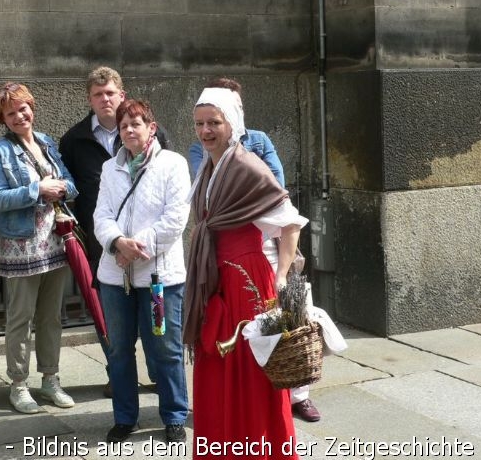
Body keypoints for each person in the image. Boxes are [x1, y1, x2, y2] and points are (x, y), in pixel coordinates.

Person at [184, 87, 308, 459]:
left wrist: (282, 276)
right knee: (219, 366)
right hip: (220, 276)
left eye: (214, 123)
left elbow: (290, 224)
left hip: (247, 281)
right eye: (200, 124)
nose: (206, 131)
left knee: (250, 372)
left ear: (231, 123)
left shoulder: (247, 166)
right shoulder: (210, 165)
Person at [59, 66, 167, 396]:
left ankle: (157, 371)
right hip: (102, 242)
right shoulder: (74, 140)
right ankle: (118, 374)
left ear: (122, 94)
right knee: (111, 316)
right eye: (97, 94)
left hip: (149, 246)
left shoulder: (151, 134)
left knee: (154, 314)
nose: (105, 99)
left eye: (110, 93)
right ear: (89, 99)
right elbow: (71, 192)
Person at [93, 99, 190, 444]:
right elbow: (101, 216)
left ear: (151, 126)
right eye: (123, 126)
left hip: (158, 278)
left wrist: (135, 247)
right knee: (118, 349)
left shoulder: (173, 164)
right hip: (114, 278)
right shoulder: (109, 169)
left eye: (137, 123)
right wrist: (118, 242)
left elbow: (175, 219)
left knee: (164, 347)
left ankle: (175, 415)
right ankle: (125, 417)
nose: (129, 130)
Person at [0, 82, 78, 414]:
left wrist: (62, 188)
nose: (19, 116)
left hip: (55, 241)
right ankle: (18, 384)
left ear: (32, 108)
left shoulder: (47, 142)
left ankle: (50, 380)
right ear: (3, 119)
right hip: (21, 246)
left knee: (51, 316)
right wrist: (36, 189)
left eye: (23, 108)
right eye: (10, 113)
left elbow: (71, 184)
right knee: (20, 318)